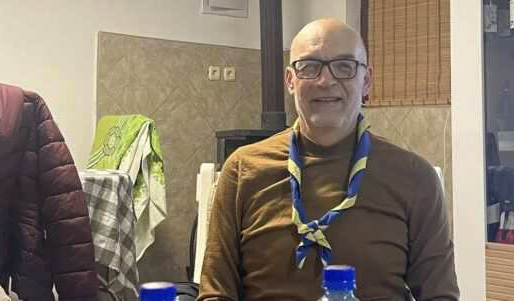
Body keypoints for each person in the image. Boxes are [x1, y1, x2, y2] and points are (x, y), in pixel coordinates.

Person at [197, 19, 459, 301]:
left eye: (344, 66)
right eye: (309, 66)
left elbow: (439, 296)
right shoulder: (243, 170)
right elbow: (216, 294)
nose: (325, 80)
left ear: (366, 80)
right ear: (290, 80)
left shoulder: (414, 176)